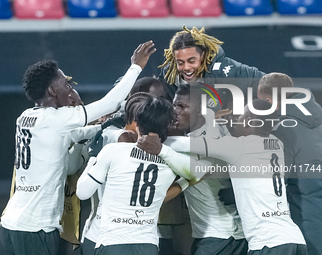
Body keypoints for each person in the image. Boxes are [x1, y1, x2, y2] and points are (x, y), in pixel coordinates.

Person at [0, 40, 155, 255]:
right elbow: (109, 103)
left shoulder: (25, 117)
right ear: (53, 90)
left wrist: (103, 125)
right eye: (66, 84)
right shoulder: (56, 119)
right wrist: (135, 67)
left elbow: (73, 145)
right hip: (36, 228)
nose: (70, 88)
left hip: (11, 224)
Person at [138, 99, 307, 255]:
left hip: (268, 242)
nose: (235, 121)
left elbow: (188, 143)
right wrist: (212, 119)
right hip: (294, 238)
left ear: (250, 122)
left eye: (241, 117)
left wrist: (150, 140)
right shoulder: (276, 143)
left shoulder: (239, 147)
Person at [76, 96, 194, 255]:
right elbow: (200, 171)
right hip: (147, 245)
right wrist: (184, 181)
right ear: (167, 125)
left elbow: (82, 193)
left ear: (137, 122)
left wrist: (92, 158)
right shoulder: (171, 162)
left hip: (112, 244)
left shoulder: (113, 151)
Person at [257, 72, 322, 255]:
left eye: (261, 102)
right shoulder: (311, 118)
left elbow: (276, 179)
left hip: (308, 208)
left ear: (271, 101)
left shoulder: (284, 128)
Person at [165, 84, 247, 255]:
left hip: (220, 237)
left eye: (182, 106)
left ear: (200, 110)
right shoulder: (212, 132)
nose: (175, 111)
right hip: (227, 235)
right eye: (174, 105)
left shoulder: (209, 140)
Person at [158, 25, 265, 105]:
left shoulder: (224, 72)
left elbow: (271, 85)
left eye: (191, 61)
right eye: (180, 63)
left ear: (203, 55)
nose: (186, 68)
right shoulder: (169, 76)